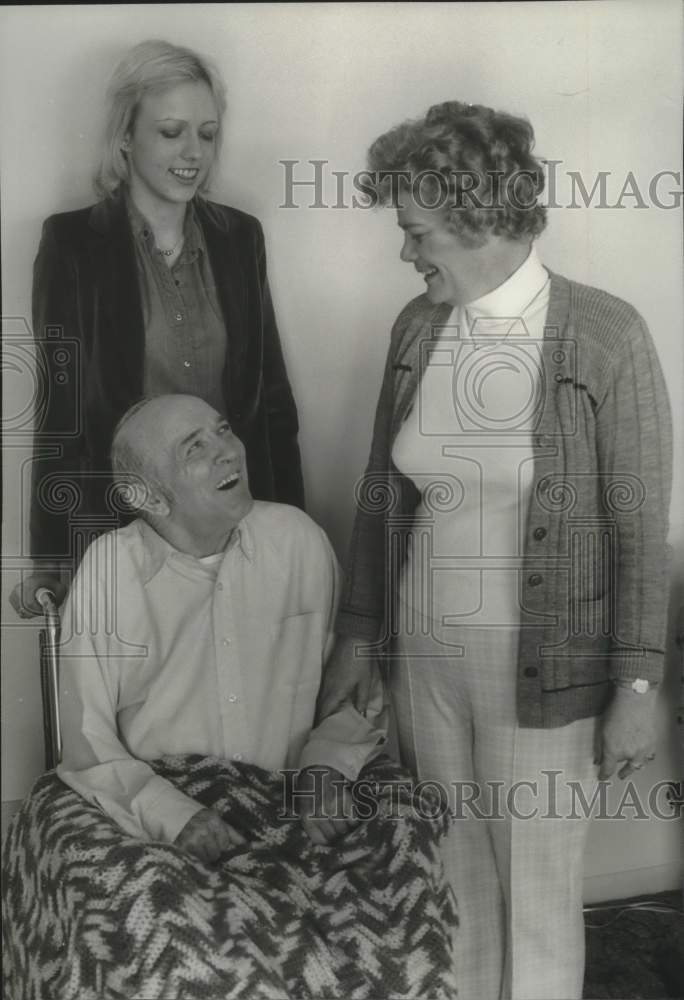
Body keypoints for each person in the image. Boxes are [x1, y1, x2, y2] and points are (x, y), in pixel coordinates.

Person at [317, 101, 672, 1000]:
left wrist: (639, 685)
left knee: (539, 898)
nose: (407, 253)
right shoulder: (416, 329)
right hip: (424, 655)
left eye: (417, 232)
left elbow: (640, 528)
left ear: (476, 218)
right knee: (455, 882)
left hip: (543, 668)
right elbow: (378, 495)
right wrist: (358, 639)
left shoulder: (605, 334)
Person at [10, 39, 304, 620]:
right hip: (125, 534)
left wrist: (288, 524)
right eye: (171, 132)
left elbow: (271, 401)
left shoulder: (239, 237)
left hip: (233, 524)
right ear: (125, 136)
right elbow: (59, 410)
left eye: (207, 133)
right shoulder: (72, 244)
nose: (193, 152)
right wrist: (53, 556)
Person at [56, 394, 386, 860]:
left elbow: (352, 693)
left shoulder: (298, 539)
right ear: (144, 496)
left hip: (293, 801)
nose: (228, 450)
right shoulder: (108, 571)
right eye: (194, 447)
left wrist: (326, 769)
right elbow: (88, 741)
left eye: (224, 429)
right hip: (163, 811)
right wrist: (172, 815)